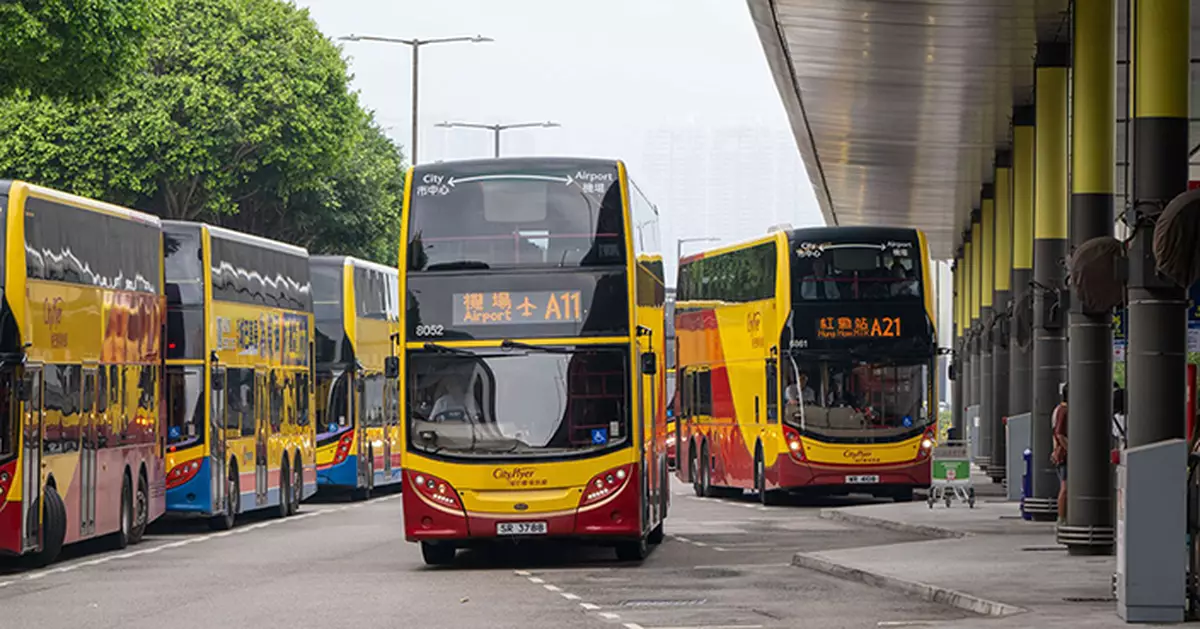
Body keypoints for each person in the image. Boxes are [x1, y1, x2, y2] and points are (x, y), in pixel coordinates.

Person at [1050, 382, 1069, 524]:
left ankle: (1063, 517)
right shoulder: (1065, 410)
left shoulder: (1058, 409)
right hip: (1065, 456)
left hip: (1060, 454)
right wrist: (1072, 450)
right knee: (1065, 487)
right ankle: (1061, 518)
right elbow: (1060, 434)